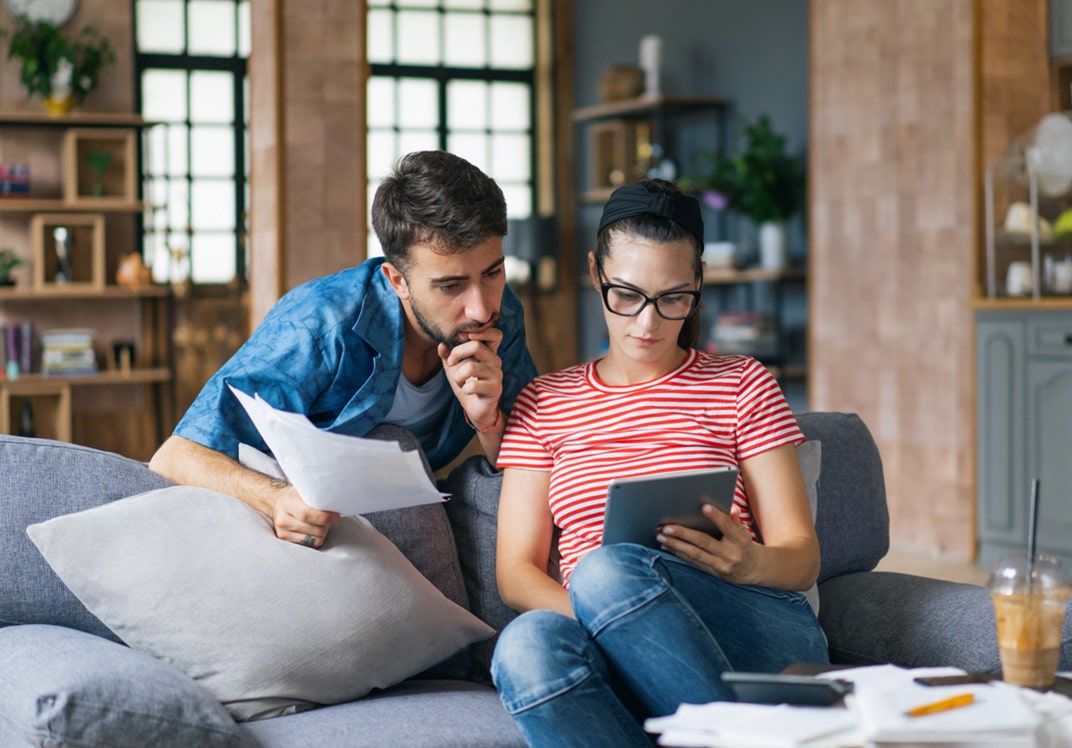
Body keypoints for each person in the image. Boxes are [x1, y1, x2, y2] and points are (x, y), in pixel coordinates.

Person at [490, 179, 827, 747]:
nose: (647, 324)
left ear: (698, 283)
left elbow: (802, 558)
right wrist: (609, 615)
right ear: (597, 273)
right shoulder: (544, 402)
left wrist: (749, 564)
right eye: (626, 295)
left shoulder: (742, 384)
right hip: (602, 627)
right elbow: (515, 573)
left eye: (673, 298)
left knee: (603, 568)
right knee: (525, 646)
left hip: (750, 625)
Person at [149, 150, 537, 549]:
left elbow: (533, 458)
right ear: (397, 280)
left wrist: (488, 422)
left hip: (409, 507)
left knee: (506, 493)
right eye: (450, 286)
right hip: (300, 519)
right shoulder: (320, 323)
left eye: (492, 272)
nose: (481, 307)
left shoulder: (500, 313)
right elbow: (176, 455)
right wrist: (275, 498)